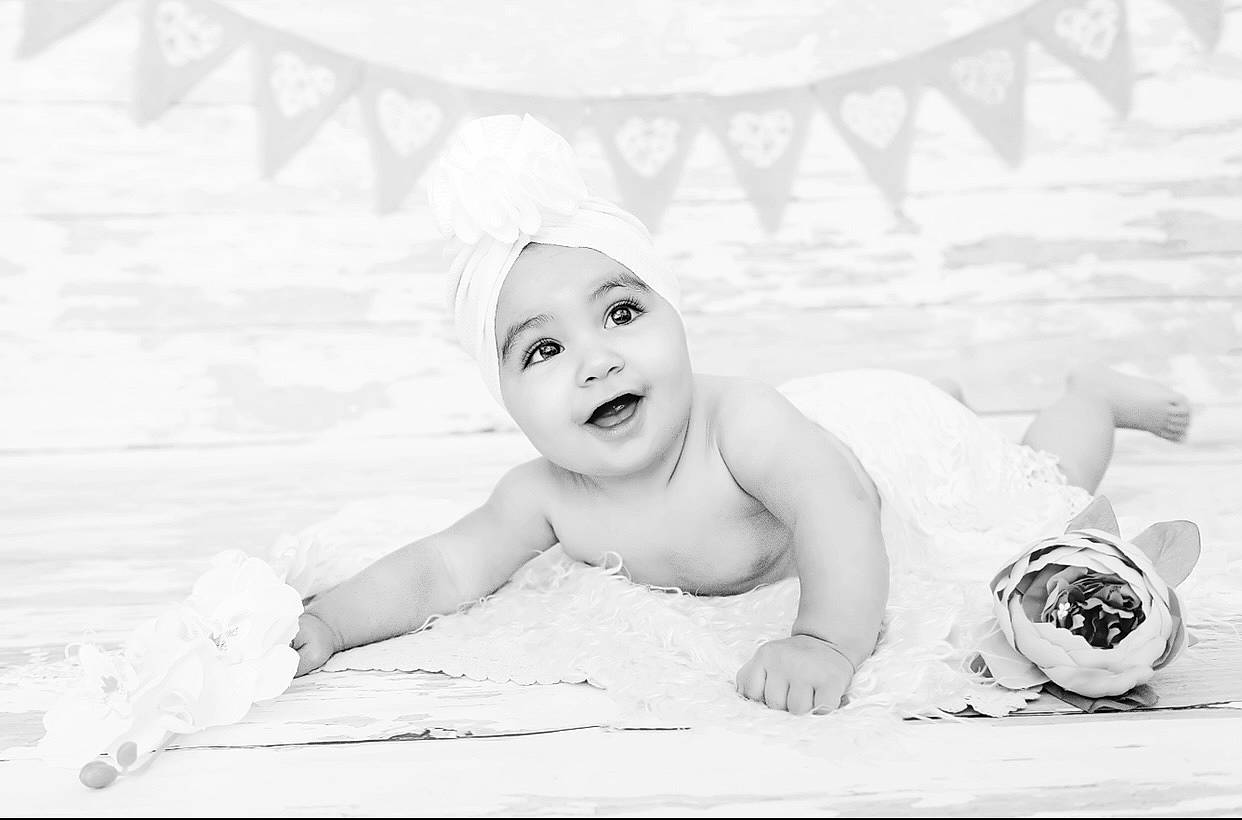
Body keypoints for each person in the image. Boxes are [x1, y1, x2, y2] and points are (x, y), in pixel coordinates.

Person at [290, 115, 1190, 715]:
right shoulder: (542, 494)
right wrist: (329, 622)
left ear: (676, 318)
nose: (597, 357)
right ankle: (948, 388)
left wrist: (826, 641)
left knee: (1036, 487)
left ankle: (1089, 396)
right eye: (543, 349)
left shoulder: (739, 424)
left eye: (621, 313)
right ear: (506, 398)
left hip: (882, 462)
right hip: (833, 427)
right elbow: (442, 569)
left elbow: (837, 506)